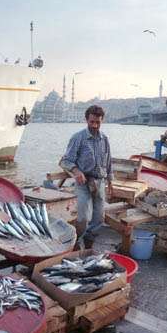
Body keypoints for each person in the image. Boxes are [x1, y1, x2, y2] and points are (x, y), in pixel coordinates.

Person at [63, 105, 114, 250]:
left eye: (98, 122)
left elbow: (109, 161)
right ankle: (75, 244)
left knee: (99, 218)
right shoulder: (78, 138)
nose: (95, 125)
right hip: (83, 183)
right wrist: (76, 170)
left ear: (102, 121)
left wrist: (110, 181)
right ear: (87, 120)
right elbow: (67, 159)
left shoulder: (105, 139)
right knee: (82, 219)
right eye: (92, 122)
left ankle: (89, 247)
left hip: (100, 183)